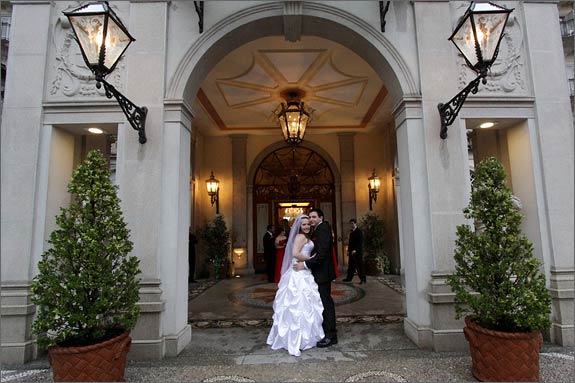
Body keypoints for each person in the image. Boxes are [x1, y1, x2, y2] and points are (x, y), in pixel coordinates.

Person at [267, 215, 324, 356]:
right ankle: (294, 339)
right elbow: (295, 253)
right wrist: (310, 259)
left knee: (307, 304)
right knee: (296, 305)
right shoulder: (300, 237)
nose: (306, 226)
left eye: (308, 224)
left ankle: (307, 336)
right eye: (304, 224)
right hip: (298, 273)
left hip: (304, 270)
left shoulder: (307, 237)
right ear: (299, 226)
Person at [294, 208, 337, 347]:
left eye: (313, 217)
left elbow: (322, 254)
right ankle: (322, 331)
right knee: (319, 303)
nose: (311, 219)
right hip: (319, 272)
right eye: (310, 217)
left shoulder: (322, 229)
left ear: (321, 218)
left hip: (323, 273)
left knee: (326, 303)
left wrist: (305, 264)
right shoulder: (317, 230)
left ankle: (331, 335)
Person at [343, 218, 366, 284]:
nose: (351, 225)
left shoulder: (359, 232)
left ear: (355, 223)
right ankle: (349, 278)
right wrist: (349, 250)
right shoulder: (351, 232)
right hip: (351, 252)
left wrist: (355, 250)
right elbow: (350, 242)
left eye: (352, 223)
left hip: (357, 252)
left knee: (359, 266)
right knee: (351, 266)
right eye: (350, 224)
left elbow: (360, 242)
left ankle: (363, 279)